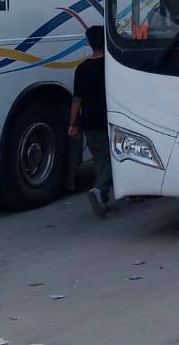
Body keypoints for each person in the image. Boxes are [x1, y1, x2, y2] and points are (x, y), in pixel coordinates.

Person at [68, 25, 111, 218]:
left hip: (89, 123)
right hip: (109, 120)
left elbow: (77, 100)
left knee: (100, 160)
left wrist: (72, 124)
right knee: (112, 161)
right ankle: (99, 190)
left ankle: (103, 200)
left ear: (89, 43)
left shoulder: (82, 68)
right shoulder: (111, 65)